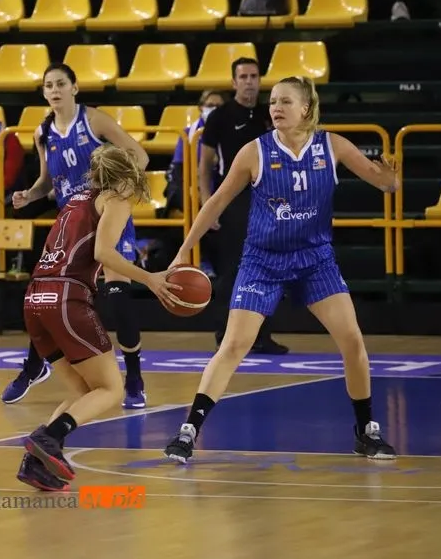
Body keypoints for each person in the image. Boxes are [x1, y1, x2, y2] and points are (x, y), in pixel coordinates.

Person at [163, 76, 399, 464]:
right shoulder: (253, 152)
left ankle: (366, 431)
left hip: (315, 260)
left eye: (285, 102)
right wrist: (184, 251)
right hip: (263, 261)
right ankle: (188, 432)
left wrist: (391, 180)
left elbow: (384, 182)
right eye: (273, 102)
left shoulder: (332, 145)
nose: (276, 108)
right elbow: (217, 202)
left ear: (306, 108)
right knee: (234, 346)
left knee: (352, 340)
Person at [18, 145, 181, 491]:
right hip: (66, 298)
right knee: (111, 388)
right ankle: (49, 438)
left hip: (35, 297)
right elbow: (103, 253)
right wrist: (149, 277)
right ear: (128, 176)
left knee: (82, 391)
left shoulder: (75, 200)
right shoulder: (116, 198)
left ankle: (36, 461)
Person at [5, 63, 151, 410]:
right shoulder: (43, 133)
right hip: (71, 225)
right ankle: (33, 365)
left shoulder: (94, 120)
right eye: (48, 86)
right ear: (43, 93)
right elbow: (46, 182)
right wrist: (30, 195)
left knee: (117, 299)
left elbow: (141, 157)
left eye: (60, 84)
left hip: (105, 215)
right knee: (46, 292)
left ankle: (134, 378)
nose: (54, 90)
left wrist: (120, 189)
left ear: (75, 87)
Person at [200, 57, 288, 355]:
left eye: (254, 75)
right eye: (244, 76)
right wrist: (207, 205)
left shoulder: (270, 114)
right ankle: (225, 336)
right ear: (234, 82)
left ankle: (262, 336)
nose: (249, 81)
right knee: (232, 270)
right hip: (233, 200)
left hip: (269, 199)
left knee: (269, 268)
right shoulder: (220, 117)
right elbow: (204, 166)